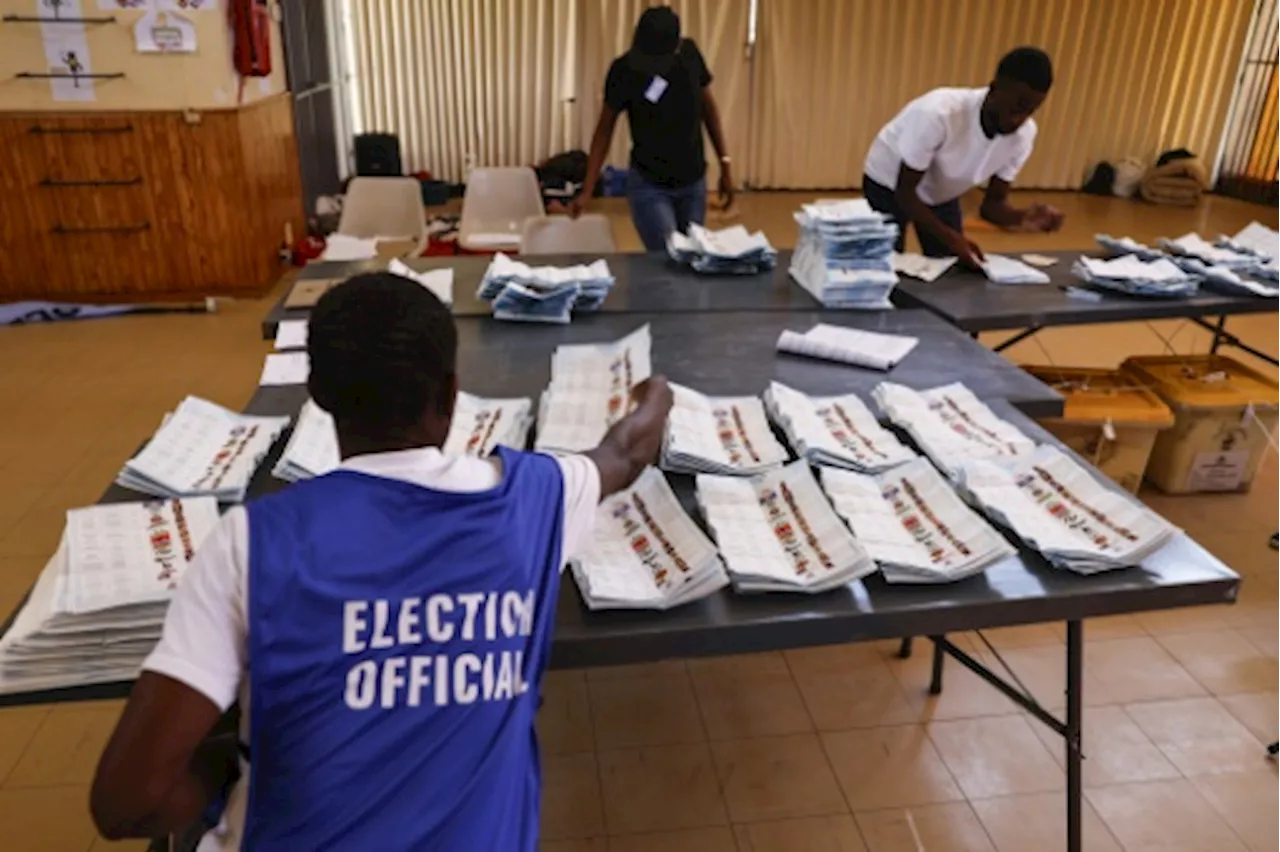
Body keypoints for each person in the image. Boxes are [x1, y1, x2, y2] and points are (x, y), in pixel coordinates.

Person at [90, 272, 673, 850]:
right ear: (449, 393)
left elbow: (126, 802)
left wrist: (231, 764)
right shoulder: (534, 500)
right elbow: (626, 451)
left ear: (318, 393)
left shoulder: (251, 542)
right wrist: (658, 392)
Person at [862, 46, 1065, 268]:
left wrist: (1022, 217)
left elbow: (992, 206)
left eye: (1030, 111)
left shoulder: (1023, 136)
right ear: (994, 89)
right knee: (885, 267)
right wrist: (952, 238)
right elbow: (905, 194)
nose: (1019, 120)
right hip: (888, 182)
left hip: (941, 190)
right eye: (1016, 108)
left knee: (951, 266)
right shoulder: (940, 113)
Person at [569, 5, 734, 250]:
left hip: (693, 181)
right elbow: (604, 130)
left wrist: (725, 164)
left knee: (692, 256)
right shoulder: (624, 70)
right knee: (668, 256)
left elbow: (709, 111)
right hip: (650, 184)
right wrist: (588, 188)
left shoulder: (689, 56)